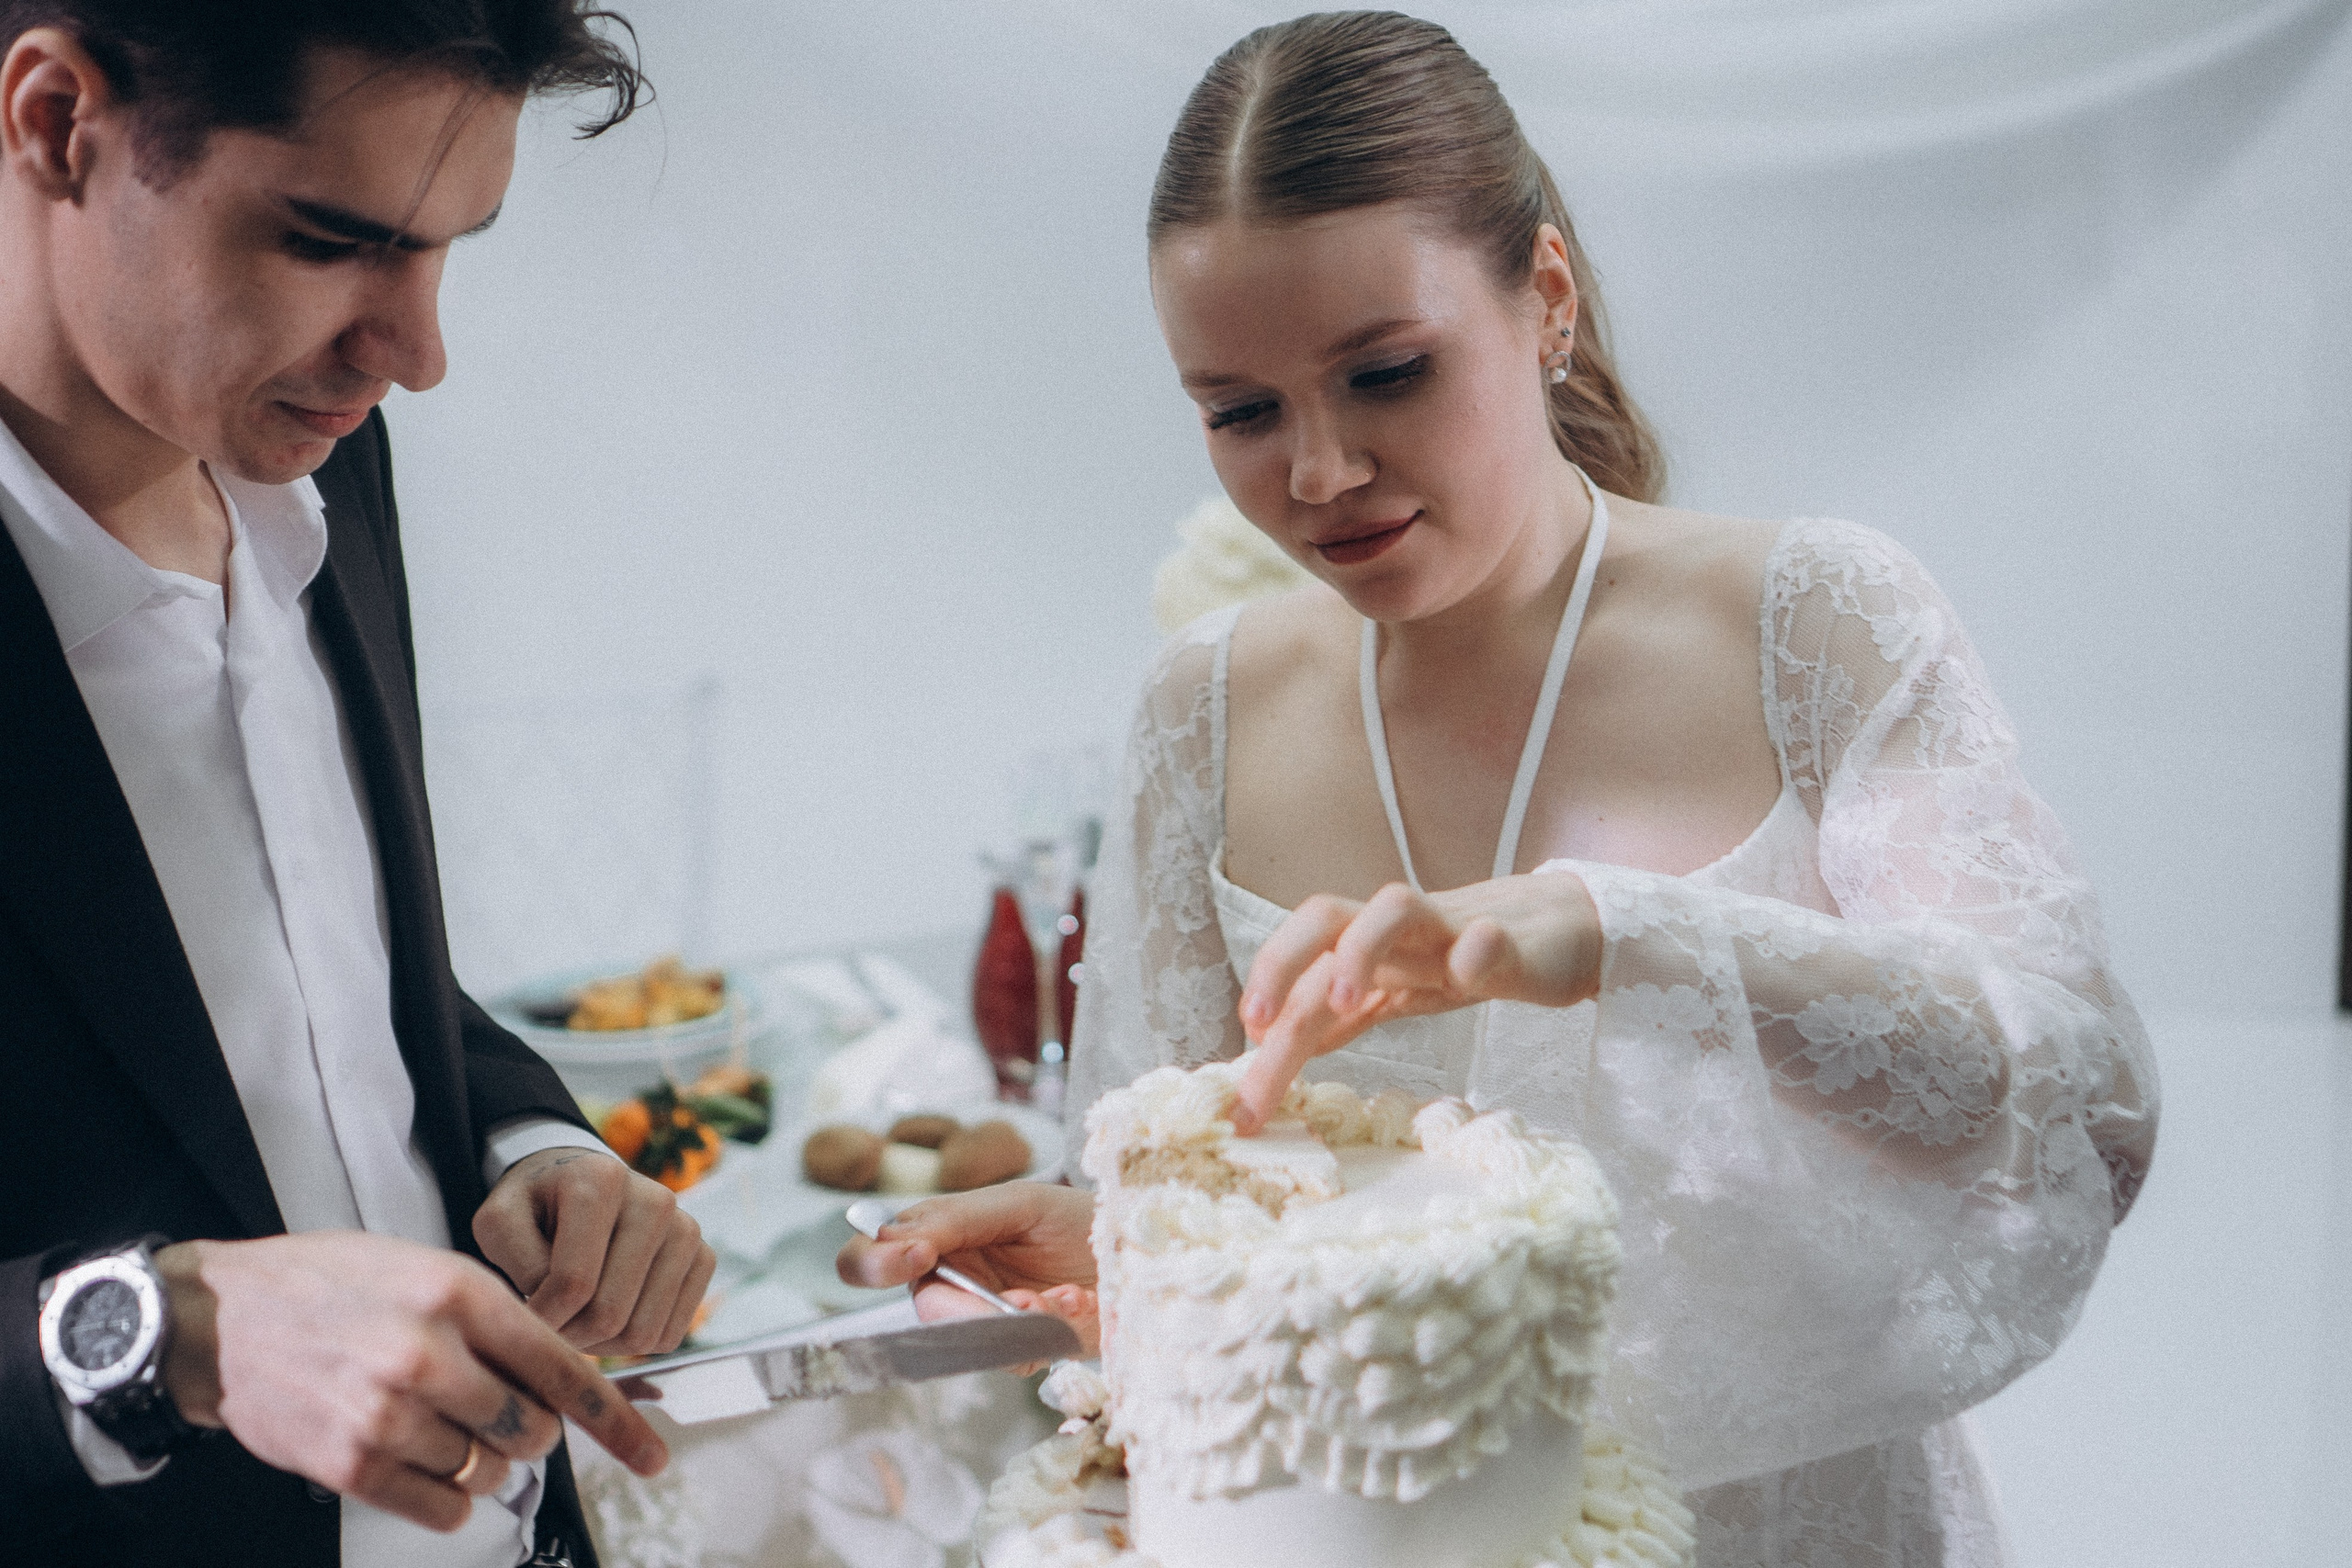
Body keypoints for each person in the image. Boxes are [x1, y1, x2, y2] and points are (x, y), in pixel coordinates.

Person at [842, 13, 2161, 1567]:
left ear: (1544, 295)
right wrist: (1123, 1253)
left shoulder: (1815, 624)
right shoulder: (1200, 711)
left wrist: (1623, 933)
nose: (1318, 474)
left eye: (1387, 373)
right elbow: (1213, 1161)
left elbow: (2086, 1108)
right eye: (1240, 411)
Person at [0, 5, 716, 1564]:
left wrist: (538, 1143)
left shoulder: (320, 450)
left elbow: (318, 976)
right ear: (59, 120)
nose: (419, 355)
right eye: (330, 242)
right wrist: (171, 1329)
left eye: (448, 251)